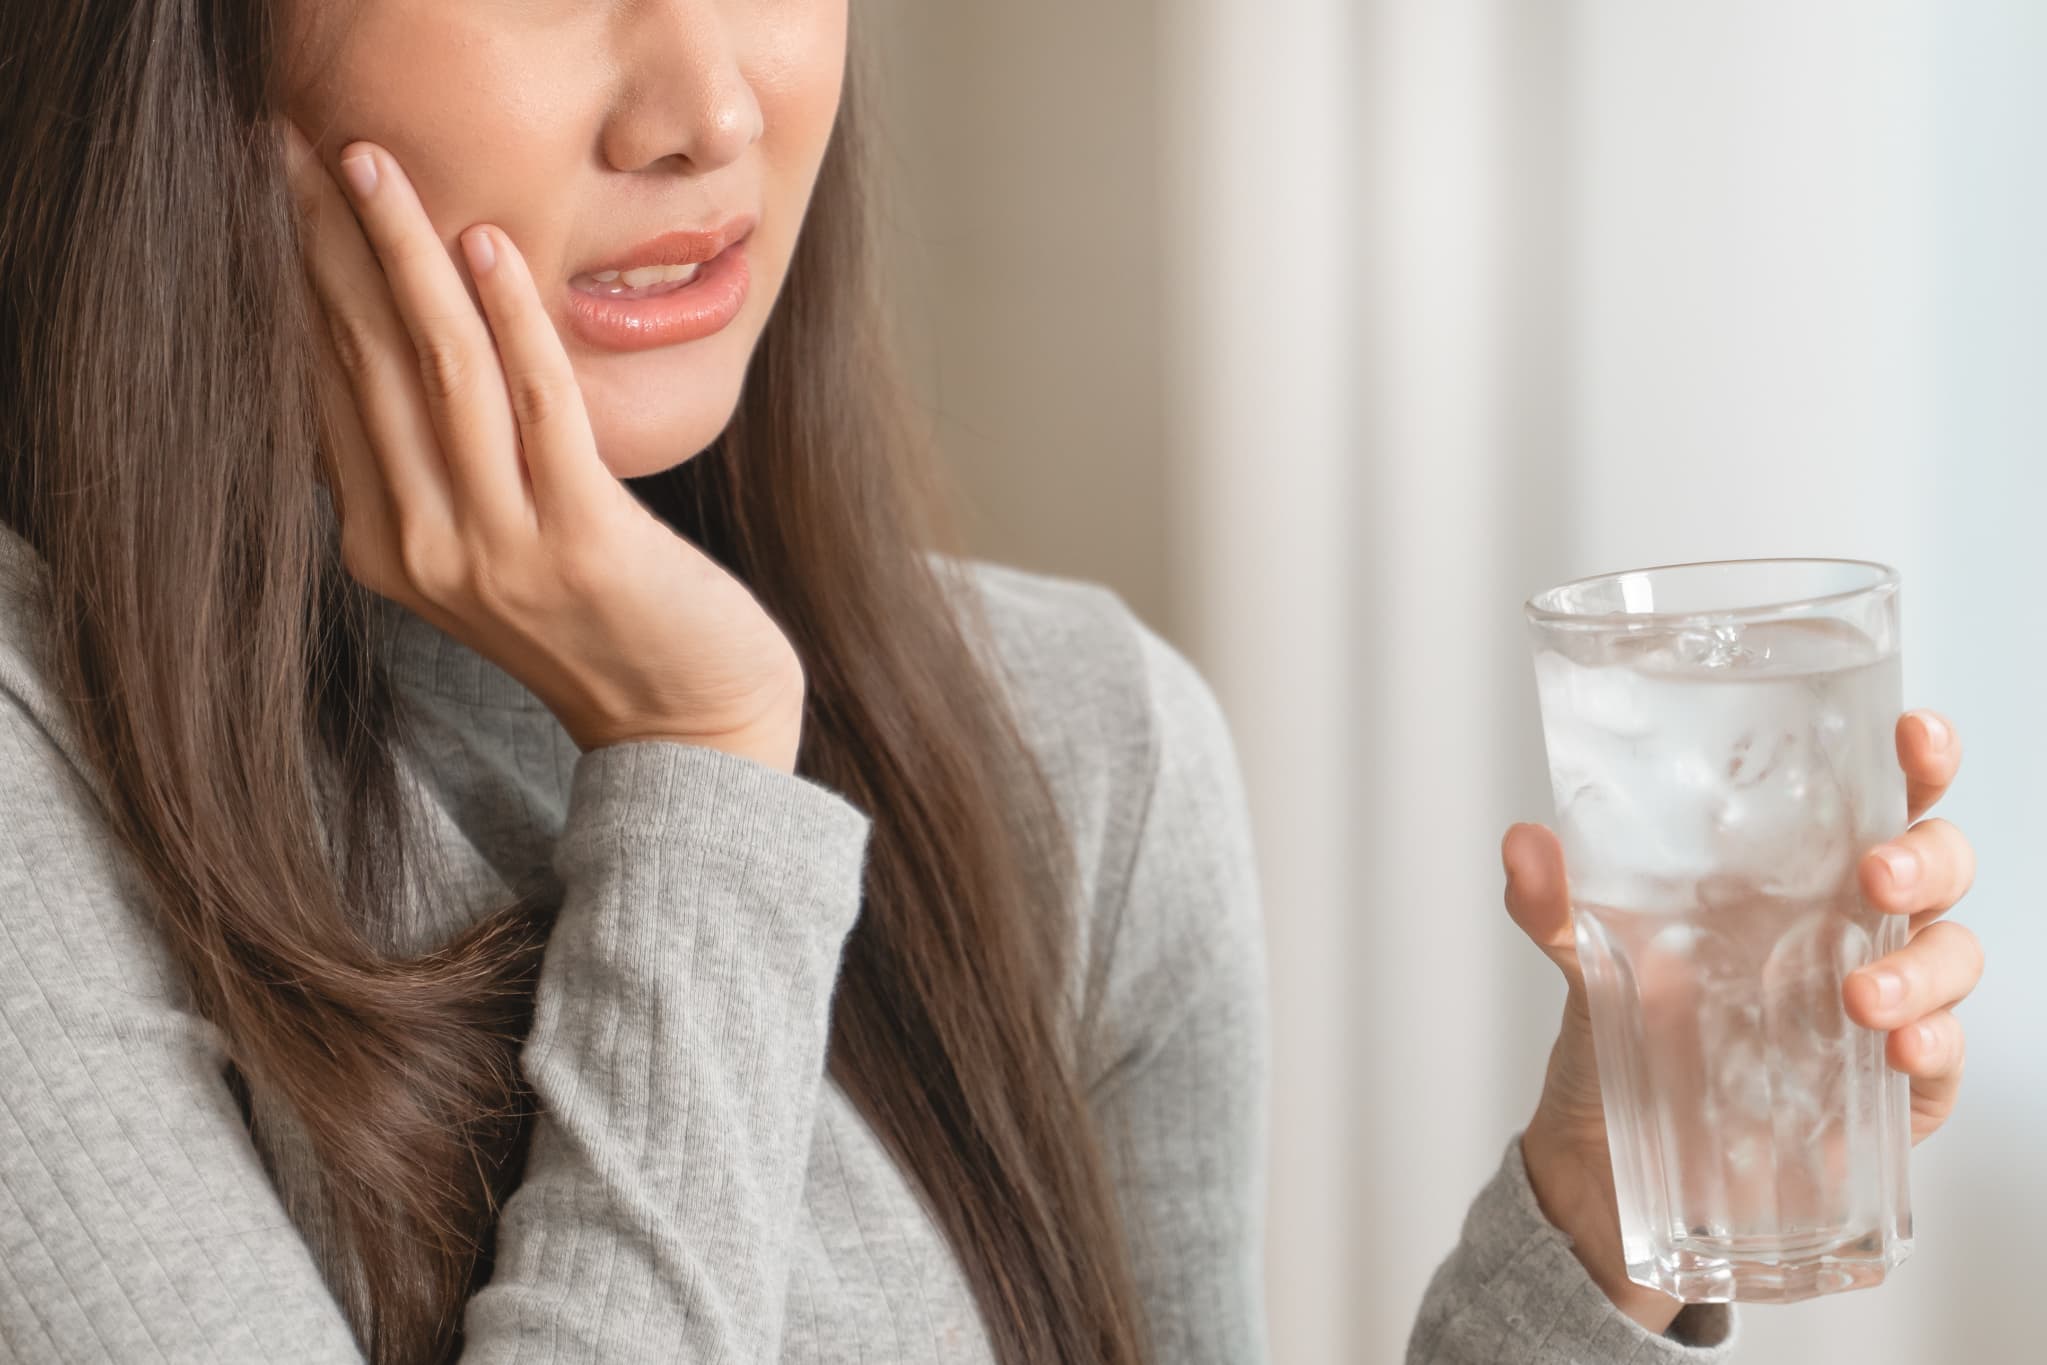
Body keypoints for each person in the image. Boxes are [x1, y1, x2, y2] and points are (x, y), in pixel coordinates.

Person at [0, 2, 1981, 1362]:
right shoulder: (39, 784)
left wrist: (1602, 1233)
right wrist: (695, 775)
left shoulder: (1069, 741)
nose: (706, 103)